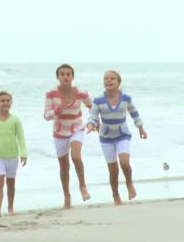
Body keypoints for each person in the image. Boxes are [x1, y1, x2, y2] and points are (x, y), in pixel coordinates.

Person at [86, 70, 148, 205]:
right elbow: (93, 116)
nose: (108, 81)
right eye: (106, 78)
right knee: (113, 170)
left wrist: (141, 128)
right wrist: (90, 125)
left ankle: (129, 184)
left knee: (124, 162)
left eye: (112, 78)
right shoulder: (98, 100)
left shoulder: (126, 98)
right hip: (106, 137)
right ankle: (115, 195)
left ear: (118, 83)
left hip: (122, 135)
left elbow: (134, 113)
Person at [43, 63, 93, 209]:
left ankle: (83, 186)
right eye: (62, 74)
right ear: (58, 77)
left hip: (76, 128)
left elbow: (92, 106)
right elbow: (46, 115)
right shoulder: (51, 94)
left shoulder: (80, 92)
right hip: (59, 132)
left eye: (68, 74)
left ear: (72, 76)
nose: (65, 76)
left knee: (76, 156)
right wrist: (55, 112)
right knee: (64, 166)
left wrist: (94, 121)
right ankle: (66, 195)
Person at [0, 91, 27, 217]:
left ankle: (10, 208)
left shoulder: (15, 120)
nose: (5, 103)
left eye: (8, 100)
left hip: (13, 156)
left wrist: (23, 153)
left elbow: (21, 138)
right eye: (2, 100)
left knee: (11, 183)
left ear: (11, 103)